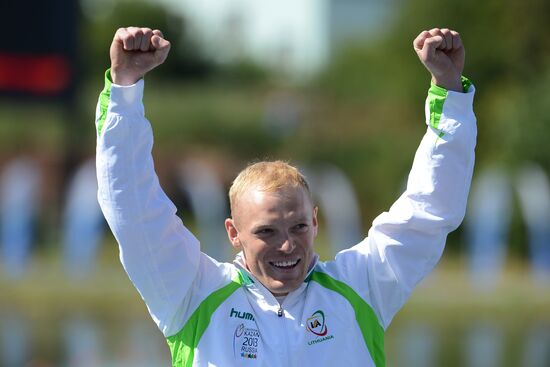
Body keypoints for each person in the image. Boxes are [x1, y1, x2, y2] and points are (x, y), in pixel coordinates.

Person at [96, 26, 476, 367]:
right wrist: (125, 86)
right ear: (233, 232)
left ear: (314, 220)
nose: (287, 245)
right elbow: (133, 211)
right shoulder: (192, 293)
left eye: (297, 226)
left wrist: (450, 91)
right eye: (267, 232)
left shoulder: (362, 285)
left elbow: (430, 209)